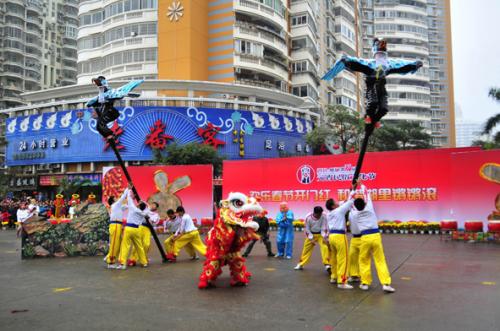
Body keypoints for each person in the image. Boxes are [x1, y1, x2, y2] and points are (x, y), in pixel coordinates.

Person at [322, 38, 423, 128]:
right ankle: (368, 116)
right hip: (372, 85)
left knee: (384, 109)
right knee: (373, 102)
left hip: (381, 88)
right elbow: (357, 62)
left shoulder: (389, 64)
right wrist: (346, 61)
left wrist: (414, 65)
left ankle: (376, 120)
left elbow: (402, 65)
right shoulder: (370, 63)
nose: (381, 56)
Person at [350, 183, 395, 293]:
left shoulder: (354, 213)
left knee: (364, 260)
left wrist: (353, 190)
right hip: (375, 236)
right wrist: (360, 184)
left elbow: (350, 200)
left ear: (355, 206)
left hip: (364, 238)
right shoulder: (369, 207)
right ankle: (386, 284)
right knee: (380, 260)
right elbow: (366, 193)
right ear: (365, 203)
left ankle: (365, 283)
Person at [325, 183, 357, 290]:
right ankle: (342, 282)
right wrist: (353, 190)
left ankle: (334, 277)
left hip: (332, 236)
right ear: (333, 205)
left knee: (334, 258)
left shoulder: (329, 213)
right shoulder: (339, 210)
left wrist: (350, 191)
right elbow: (350, 201)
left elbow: (345, 202)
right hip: (339, 236)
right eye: (335, 202)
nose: (337, 202)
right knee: (343, 259)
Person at [114, 189, 149, 270]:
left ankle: (122, 263)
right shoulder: (143, 213)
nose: (137, 203)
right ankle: (144, 262)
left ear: (139, 205)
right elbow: (147, 208)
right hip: (136, 230)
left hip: (129, 229)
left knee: (125, 246)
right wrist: (142, 202)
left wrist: (129, 190)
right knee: (139, 247)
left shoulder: (133, 208)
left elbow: (129, 198)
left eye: (139, 203)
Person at [294, 206, 330, 272]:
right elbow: (307, 229)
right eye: (318, 215)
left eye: (320, 214)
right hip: (311, 234)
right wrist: (311, 239)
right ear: (314, 213)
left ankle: (327, 264)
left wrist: (325, 237)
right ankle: (301, 264)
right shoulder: (308, 217)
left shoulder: (324, 216)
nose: (320, 216)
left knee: (325, 247)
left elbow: (324, 226)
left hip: (321, 234)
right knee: (306, 250)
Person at [128, 201, 160, 266]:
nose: (153, 206)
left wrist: (149, 217)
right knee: (137, 243)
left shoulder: (156, 215)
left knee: (146, 244)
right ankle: (132, 259)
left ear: (156, 208)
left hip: (147, 229)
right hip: (140, 226)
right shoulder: (145, 208)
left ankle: (143, 258)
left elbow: (153, 222)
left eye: (155, 205)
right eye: (152, 204)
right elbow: (139, 205)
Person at [104, 188, 128, 268]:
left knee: (117, 244)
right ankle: (110, 262)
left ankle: (110, 258)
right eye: (115, 198)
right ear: (113, 201)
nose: (117, 198)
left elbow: (127, 206)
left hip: (118, 225)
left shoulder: (118, 207)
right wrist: (127, 189)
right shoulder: (115, 205)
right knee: (114, 244)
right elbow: (122, 199)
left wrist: (131, 198)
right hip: (115, 225)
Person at [91, 76, 120, 140]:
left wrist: (96, 80)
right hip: (110, 112)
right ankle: (111, 135)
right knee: (99, 126)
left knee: (100, 123)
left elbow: (102, 86)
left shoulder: (106, 89)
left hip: (110, 111)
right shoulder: (101, 91)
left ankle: (111, 134)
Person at [347, 210, 361, 283]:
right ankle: (353, 275)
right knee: (352, 256)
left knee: (362, 257)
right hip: (354, 237)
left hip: (363, 237)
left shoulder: (364, 211)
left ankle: (361, 276)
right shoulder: (350, 213)